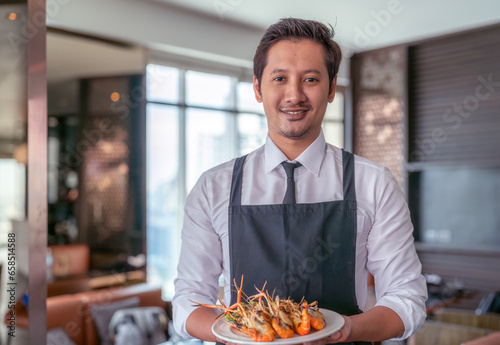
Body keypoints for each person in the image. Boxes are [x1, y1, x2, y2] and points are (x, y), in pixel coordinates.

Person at [172, 17, 427, 344]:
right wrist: (241, 335)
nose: (294, 95)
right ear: (257, 88)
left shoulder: (373, 183)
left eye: (310, 79)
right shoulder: (213, 188)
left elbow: (407, 297)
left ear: (332, 88)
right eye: (279, 78)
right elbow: (188, 301)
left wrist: (347, 331)